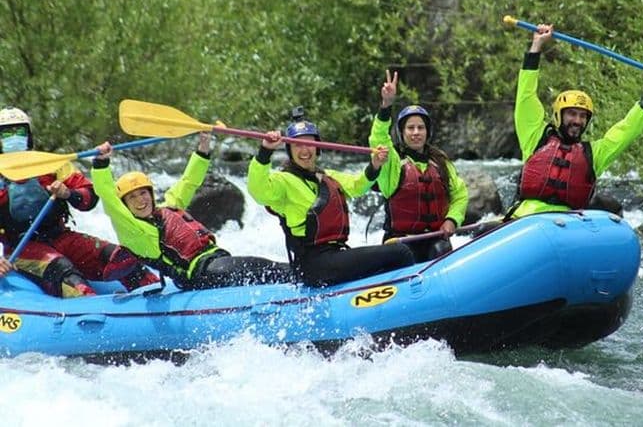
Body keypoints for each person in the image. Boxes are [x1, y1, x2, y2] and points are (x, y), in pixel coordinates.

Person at [91, 133, 292, 290]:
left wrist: (203, 148)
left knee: (260, 267)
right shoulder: (131, 230)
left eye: (143, 193)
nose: (140, 200)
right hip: (198, 274)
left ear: (151, 195)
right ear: (125, 205)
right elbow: (108, 197)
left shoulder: (169, 205)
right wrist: (101, 164)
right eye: (132, 197)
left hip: (215, 260)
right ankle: (306, 279)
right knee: (267, 269)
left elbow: (189, 181)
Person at [0, 107, 159, 297]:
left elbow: (89, 197)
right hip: (22, 249)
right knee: (66, 274)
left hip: (61, 236)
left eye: (20, 131)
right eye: (7, 132)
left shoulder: (52, 164)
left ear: (29, 135)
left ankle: (162, 300)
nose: (14, 137)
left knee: (123, 259)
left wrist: (68, 193)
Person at [508, 24, 643, 219]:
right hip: (525, 220)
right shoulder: (535, 137)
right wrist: (536, 47)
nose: (578, 121)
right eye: (572, 114)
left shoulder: (594, 154)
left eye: (582, 116)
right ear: (558, 115)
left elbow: (628, 129)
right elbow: (526, 96)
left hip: (568, 223)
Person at [247, 112, 415, 286]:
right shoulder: (283, 181)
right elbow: (257, 190)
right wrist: (265, 151)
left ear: (317, 147)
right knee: (400, 253)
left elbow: (358, 186)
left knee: (391, 256)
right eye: (297, 145)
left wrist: (375, 165)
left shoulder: (327, 176)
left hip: (335, 255)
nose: (304, 150)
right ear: (289, 150)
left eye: (309, 144)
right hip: (314, 264)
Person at [368, 71, 469, 262]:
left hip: (434, 240)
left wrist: (452, 219)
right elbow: (378, 139)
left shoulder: (440, 162)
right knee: (404, 256)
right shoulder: (393, 161)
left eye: (420, 128)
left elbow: (460, 194)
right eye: (410, 128)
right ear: (402, 132)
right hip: (401, 243)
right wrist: (386, 106)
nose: (416, 133)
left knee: (442, 249)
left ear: (427, 132)